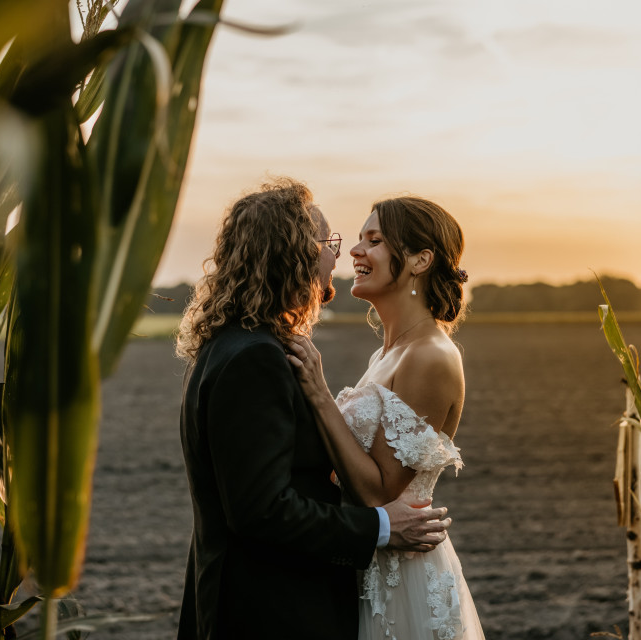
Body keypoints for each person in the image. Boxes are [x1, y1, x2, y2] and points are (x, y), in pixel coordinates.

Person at [175, 179, 451, 639]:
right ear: (294, 254)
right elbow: (261, 510)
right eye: (329, 244)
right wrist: (381, 527)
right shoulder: (254, 357)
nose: (338, 257)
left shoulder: (237, 344)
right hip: (270, 612)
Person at [287, 196, 485, 640]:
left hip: (402, 582)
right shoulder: (385, 354)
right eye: (359, 239)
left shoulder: (430, 356)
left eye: (374, 240)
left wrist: (318, 394)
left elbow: (379, 492)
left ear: (420, 260)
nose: (355, 251)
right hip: (363, 562)